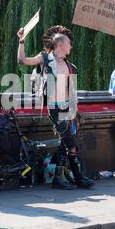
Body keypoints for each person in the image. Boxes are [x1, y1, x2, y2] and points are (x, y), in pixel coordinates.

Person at [17, 25, 95, 190]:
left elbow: (71, 91)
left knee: (63, 144)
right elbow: (22, 61)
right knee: (70, 143)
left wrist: (76, 112)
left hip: (68, 108)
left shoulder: (70, 66)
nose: (71, 46)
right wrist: (21, 41)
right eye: (68, 43)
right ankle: (77, 178)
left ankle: (61, 179)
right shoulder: (45, 58)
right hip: (54, 107)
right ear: (60, 44)